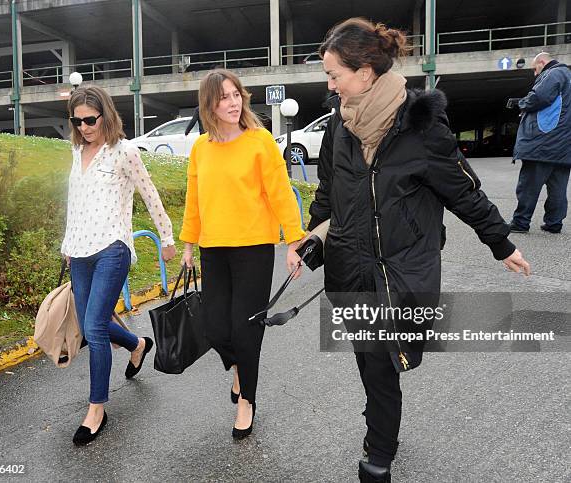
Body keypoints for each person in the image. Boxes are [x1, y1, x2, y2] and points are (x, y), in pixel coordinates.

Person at [309, 18, 531, 482]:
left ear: (366, 71)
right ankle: (381, 426)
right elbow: (328, 193)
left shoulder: (421, 124)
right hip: (350, 267)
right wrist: (312, 240)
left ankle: (379, 450)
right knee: (369, 362)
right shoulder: (338, 125)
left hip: (401, 270)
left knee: (382, 362)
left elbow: (462, 189)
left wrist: (500, 242)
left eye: (335, 75)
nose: (329, 85)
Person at [179, 69, 304, 440]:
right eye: (224, 98)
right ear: (209, 105)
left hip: (254, 248)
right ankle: (239, 368)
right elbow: (194, 200)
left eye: (236, 95)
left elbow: (281, 192)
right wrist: (189, 243)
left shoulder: (260, 141)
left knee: (246, 329)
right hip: (213, 248)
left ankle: (246, 399)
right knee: (216, 327)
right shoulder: (201, 148)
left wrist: (294, 242)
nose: (233, 103)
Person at [61, 86, 176, 446]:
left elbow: (149, 192)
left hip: (112, 247)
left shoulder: (124, 152)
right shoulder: (76, 150)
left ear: (105, 116)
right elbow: (74, 200)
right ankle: (137, 343)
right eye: (77, 121)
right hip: (79, 250)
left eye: (90, 120)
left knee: (94, 327)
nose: (84, 127)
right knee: (88, 322)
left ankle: (97, 409)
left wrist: (167, 238)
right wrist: (67, 243)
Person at [509, 52, 571, 234]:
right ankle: (554, 223)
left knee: (528, 186)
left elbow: (539, 97)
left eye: (535, 69)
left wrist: (520, 103)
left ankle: (520, 222)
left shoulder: (554, 74)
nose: (535, 74)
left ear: (542, 62)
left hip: (543, 144)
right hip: (564, 147)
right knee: (558, 188)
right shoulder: (568, 76)